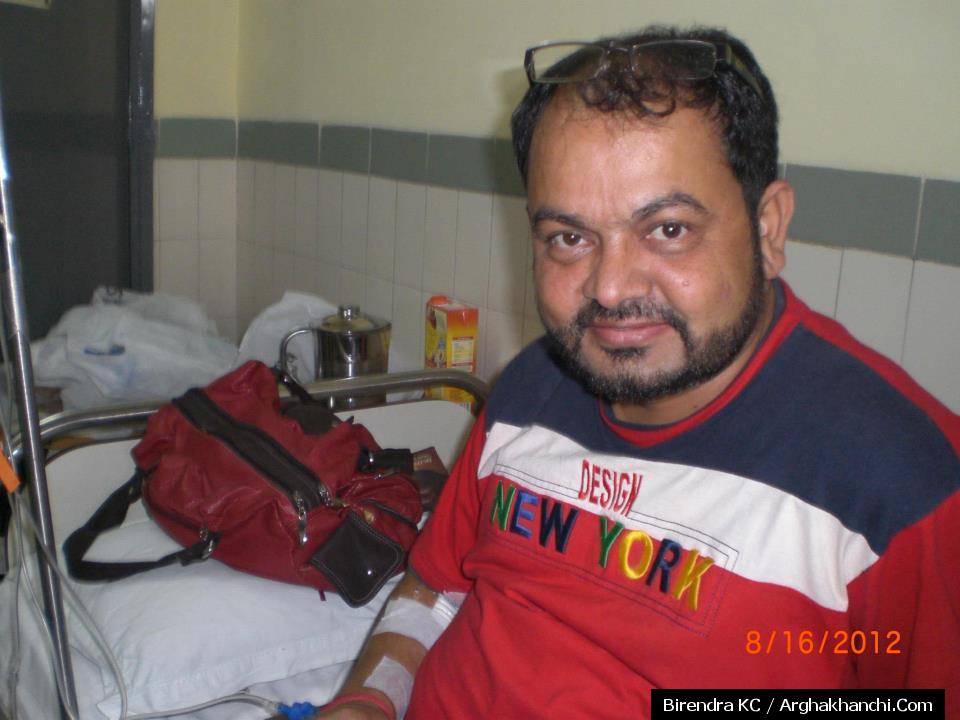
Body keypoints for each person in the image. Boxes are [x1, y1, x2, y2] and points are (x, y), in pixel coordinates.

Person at [317, 25, 960, 719]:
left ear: (768, 228)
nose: (611, 288)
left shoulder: (901, 485)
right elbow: (437, 587)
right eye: (569, 238)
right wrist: (370, 699)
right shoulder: (530, 389)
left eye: (668, 229)